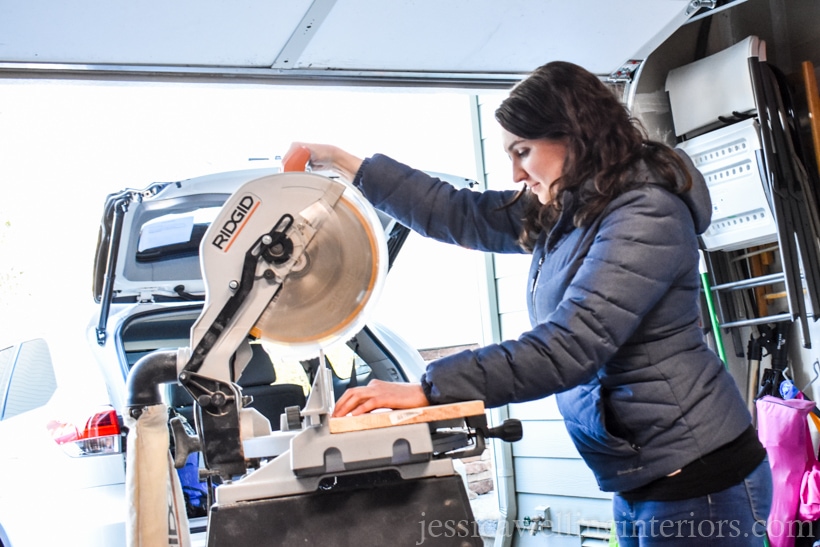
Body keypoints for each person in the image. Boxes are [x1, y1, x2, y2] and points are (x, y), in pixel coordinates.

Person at [283, 61, 772, 546]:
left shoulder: (646, 212)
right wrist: (348, 165)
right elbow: (463, 213)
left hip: (700, 476)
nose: (515, 172)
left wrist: (431, 389)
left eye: (523, 151)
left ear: (575, 136)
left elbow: (570, 345)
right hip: (642, 473)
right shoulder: (574, 205)